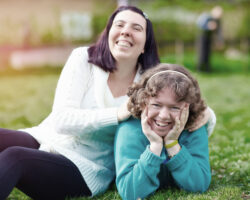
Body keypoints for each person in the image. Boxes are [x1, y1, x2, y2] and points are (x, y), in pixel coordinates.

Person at [0, 6, 160, 200]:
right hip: (48, 139)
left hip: (85, 167)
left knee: (15, 158)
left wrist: (206, 117)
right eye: (119, 24)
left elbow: (188, 103)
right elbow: (62, 119)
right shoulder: (84, 58)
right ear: (108, 34)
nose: (126, 31)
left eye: (136, 28)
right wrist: (117, 114)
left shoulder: (151, 84)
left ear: (145, 45)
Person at [115, 63, 213, 200]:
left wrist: (172, 144)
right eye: (156, 105)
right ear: (143, 102)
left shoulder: (194, 127)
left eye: (174, 108)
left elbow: (199, 184)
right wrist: (155, 147)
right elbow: (130, 193)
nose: (164, 115)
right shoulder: (130, 129)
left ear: (187, 108)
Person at [196, 6, 223, 72]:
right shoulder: (206, 17)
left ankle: (207, 69)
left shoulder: (218, 21)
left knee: (208, 54)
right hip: (202, 36)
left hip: (210, 37)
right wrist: (208, 27)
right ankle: (199, 68)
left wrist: (219, 41)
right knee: (202, 53)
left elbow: (218, 31)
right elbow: (199, 24)